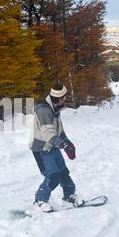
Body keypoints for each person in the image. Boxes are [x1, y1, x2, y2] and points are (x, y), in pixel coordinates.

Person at [29, 84, 84, 212]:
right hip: (41, 148)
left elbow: (59, 130)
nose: (65, 99)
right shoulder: (43, 110)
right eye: (65, 97)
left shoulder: (55, 108)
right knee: (53, 176)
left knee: (63, 172)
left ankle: (69, 195)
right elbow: (48, 133)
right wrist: (63, 145)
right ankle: (39, 201)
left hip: (53, 146)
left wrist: (67, 142)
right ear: (60, 97)